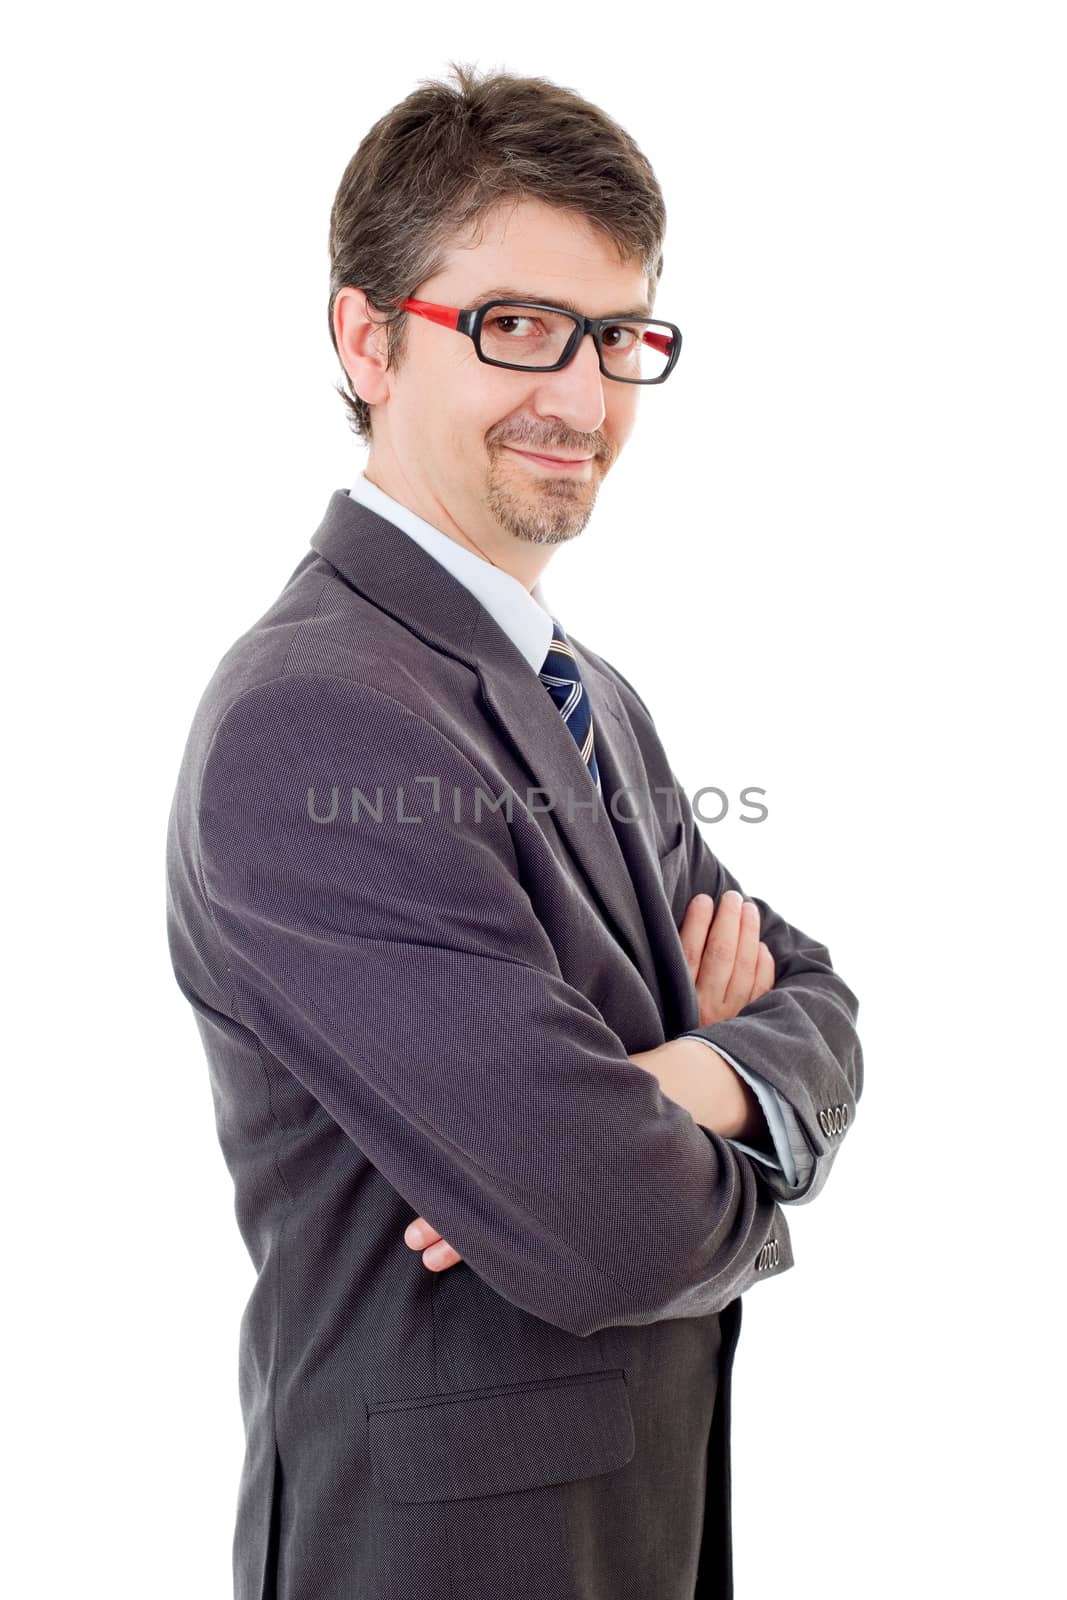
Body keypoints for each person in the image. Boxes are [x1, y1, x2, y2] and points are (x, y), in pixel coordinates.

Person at [165, 60, 863, 1600]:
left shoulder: (587, 693)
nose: (583, 396)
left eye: (619, 338)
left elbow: (822, 999)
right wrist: (670, 1112)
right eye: (518, 328)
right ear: (368, 340)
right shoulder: (316, 720)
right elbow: (608, 1223)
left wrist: (688, 1081)